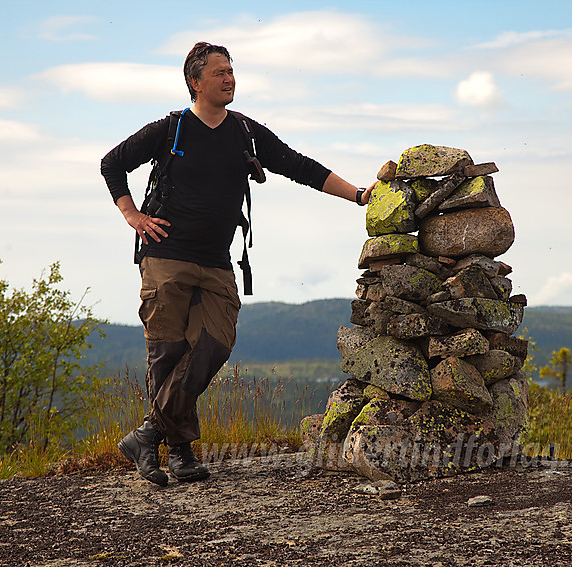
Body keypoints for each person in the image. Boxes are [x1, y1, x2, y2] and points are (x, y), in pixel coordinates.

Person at [101, 42, 372, 486]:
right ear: (195, 81)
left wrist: (358, 195)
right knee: (168, 356)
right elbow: (112, 163)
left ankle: (148, 434)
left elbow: (297, 165)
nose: (229, 78)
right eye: (220, 72)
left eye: (232, 71)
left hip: (216, 262)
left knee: (213, 345)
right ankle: (180, 453)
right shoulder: (171, 130)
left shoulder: (244, 131)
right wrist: (132, 216)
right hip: (165, 256)